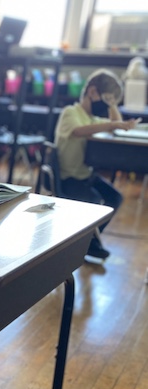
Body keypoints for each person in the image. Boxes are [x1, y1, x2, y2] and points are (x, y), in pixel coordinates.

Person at [54, 68, 140, 259]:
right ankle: (79, 244)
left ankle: (88, 242)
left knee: (114, 198)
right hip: (69, 177)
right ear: (92, 92)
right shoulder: (71, 112)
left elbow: (114, 124)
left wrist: (112, 106)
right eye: (106, 99)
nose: (107, 105)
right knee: (93, 203)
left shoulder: (93, 118)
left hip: (86, 174)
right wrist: (112, 124)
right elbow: (78, 131)